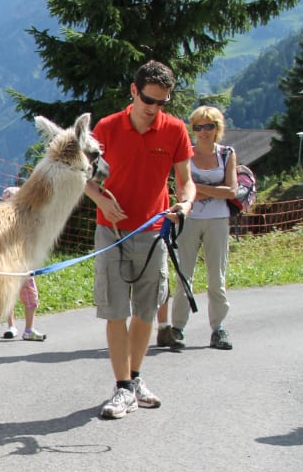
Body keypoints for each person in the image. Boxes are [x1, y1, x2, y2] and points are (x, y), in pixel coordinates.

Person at [83, 60, 196, 419]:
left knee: (145, 311)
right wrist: (100, 198)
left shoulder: (175, 130)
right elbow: (81, 175)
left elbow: (186, 180)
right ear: (134, 92)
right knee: (115, 311)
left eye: (162, 103)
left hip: (153, 232)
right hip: (111, 232)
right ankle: (122, 389)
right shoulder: (107, 128)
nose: (154, 109)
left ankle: (134, 379)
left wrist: (186, 203)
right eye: (149, 100)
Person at [167, 105, 237, 350]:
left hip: (218, 221)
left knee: (216, 277)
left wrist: (197, 188)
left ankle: (218, 328)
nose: (203, 131)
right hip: (190, 219)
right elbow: (182, 190)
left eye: (209, 126)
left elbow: (232, 191)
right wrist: (210, 191)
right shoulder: (186, 154)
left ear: (217, 128)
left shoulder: (227, 154)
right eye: (198, 127)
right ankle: (177, 328)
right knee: (184, 275)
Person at [1, 186, 45, 341]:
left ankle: (29, 328)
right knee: (9, 297)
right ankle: (11, 326)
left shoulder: (29, 223)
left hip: (25, 268)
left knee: (31, 297)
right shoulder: (2, 225)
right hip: (9, 268)